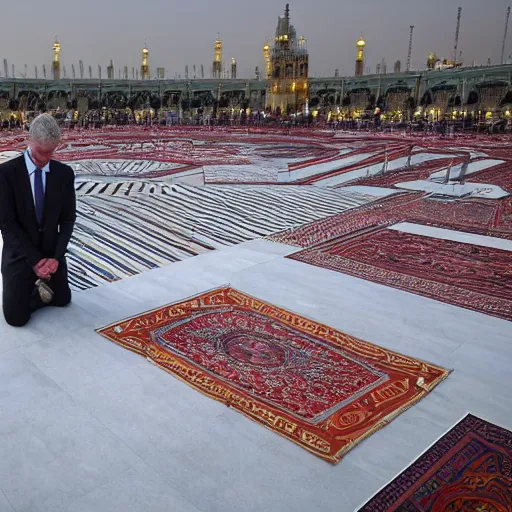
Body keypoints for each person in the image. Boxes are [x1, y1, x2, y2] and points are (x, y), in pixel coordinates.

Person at [0, 113, 76, 327]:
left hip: (51, 256)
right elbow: (6, 224)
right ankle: (31, 289)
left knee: (63, 300)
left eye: (51, 152)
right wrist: (34, 261)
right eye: (41, 152)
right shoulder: (7, 174)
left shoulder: (64, 174)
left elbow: (68, 219)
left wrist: (56, 257)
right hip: (21, 255)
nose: (45, 158)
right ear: (29, 141)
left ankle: (39, 288)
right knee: (16, 319)